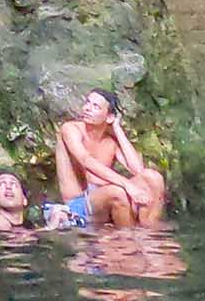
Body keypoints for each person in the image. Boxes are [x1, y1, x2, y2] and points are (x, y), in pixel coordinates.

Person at [52, 89, 167, 227]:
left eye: (96, 106)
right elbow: (86, 160)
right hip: (79, 203)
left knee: (153, 177)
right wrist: (127, 184)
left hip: (106, 199)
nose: (87, 108)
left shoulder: (110, 141)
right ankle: (128, 239)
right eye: (87, 102)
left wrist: (117, 130)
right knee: (117, 192)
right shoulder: (70, 129)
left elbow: (138, 169)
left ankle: (149, 231)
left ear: (109, 117)